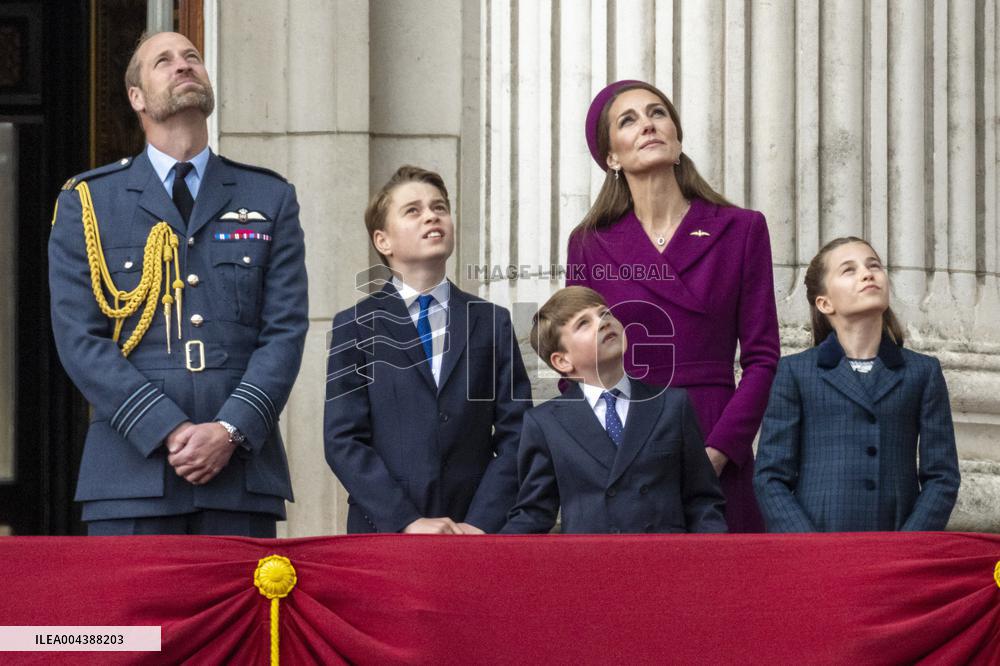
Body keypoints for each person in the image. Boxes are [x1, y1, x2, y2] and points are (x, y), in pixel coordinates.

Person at [48, 32, 308, 536]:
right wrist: (166, 427)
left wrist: (230, 429)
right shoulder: (89, 202)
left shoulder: (269, 196)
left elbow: (285, 331)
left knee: (240, 619)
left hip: (240, 475)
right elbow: (79, 339)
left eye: (192, 57)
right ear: (136, 97)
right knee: (138, 620)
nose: (183, 65)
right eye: (163, 61)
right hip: (130, 475)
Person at [566, 80, 779, 532]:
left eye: (658, 113)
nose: (648, 124)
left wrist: (719, 452)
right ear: (612, 158)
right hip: (624, 447)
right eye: (629, 120)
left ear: (677, 138)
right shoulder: (589, 243)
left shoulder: (741, 230)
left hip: (712, 435)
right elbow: (578, 366)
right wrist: (605, 451)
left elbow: (763, 359)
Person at [324, 165, 531, 534]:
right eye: (413, 210)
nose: (432, 216)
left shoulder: (491, 321)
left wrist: (480, 522)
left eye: (439, 207)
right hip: (384, 532)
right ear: (383, 241)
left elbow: (519, 433)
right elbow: (343, 439)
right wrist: (405, 521)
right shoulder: (354, 325)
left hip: (474, 530)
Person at [753, 237, 960, 532]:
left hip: (897, 544)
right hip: (819, 543)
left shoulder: (922, 372)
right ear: (824, 302)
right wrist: (806, 546)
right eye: (849, 270)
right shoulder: (796, 372)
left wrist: (909, 545)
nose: (867, 273)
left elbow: (942, 476)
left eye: (873, 265)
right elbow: (770, 476)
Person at [501, 286, 726, 534]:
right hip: (591, 565)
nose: (603, 322)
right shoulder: (545, 423)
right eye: (584, 324)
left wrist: (708, 563)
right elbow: (533, 514)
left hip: (668, 562)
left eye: (605, 313)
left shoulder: (672, 404)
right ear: (562, 361)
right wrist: (487, 559)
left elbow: (702, 501)